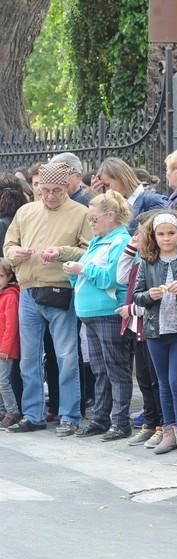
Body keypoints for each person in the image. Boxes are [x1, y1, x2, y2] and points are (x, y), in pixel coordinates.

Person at [2, 162, 91, 434]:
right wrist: (15, 255)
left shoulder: (81, 213)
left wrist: (62, 252)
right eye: (44, 190)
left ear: (67, 187)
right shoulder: (26, 211)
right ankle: (33, 414)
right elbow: (8, 246)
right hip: (29, 290)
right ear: (37, 187)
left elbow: (89, 250)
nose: (50, 196)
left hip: (60, 289)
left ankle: (70, 415)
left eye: (56, 190)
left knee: (66, 356)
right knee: (29, 358)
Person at [133, 211, 177, 455]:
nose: (166, 238)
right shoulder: (147, 262)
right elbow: (137, 295)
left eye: (171, 233)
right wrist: (149, 295)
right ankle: (168, 432)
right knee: (162, 382)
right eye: (161, 234)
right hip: (156, 330)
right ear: (153, 236)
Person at [63, 192, 133, 440]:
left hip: (108, 312)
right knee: (100, 370)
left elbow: (111, 277)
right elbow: (86, 275)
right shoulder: (97, 241)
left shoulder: (121, 241)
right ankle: (101, 418)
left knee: (116, 369)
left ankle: (120, 421)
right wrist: (74, 272)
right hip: (90, 313)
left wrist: (82, 268)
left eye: (94, 218)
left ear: (110, 216)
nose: (90, 223)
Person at [116, 228, 163, 447]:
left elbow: (153, 300)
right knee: (143, 379)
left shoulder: (156, 265)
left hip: (151, 328)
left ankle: (162, 424)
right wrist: (129, 249)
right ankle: (150, 423)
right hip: (137, 329)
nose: (138, 239)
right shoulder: (138, 263)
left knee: (156, 381)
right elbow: (121, 277)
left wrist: (132, 309)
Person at [96, 157, 168, 232]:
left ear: (122, 178)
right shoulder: (120, 204)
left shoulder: (150, 200)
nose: (107, 191)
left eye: (107, 185)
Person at [0, 258, 20, 428]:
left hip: (5, 349)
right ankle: (2, 410)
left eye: (0, 276)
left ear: (9, 277)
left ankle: (12, 411)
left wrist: (5, 348)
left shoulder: (11, 297)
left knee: (3, 381)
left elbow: (11, 325)